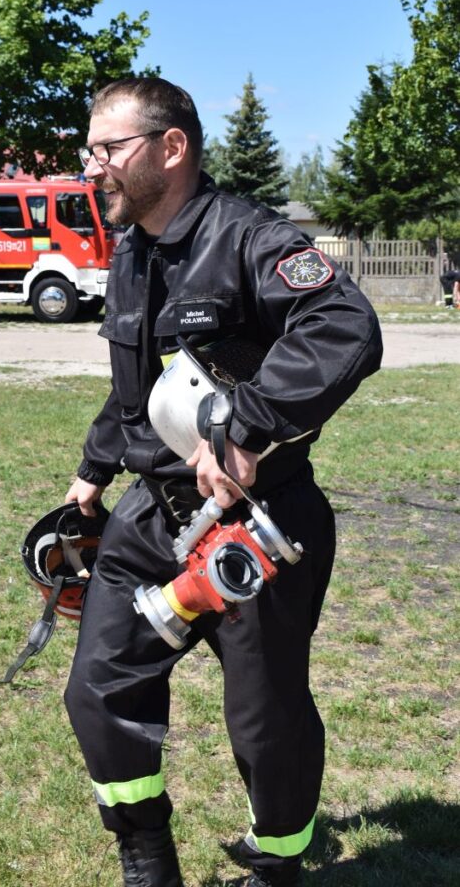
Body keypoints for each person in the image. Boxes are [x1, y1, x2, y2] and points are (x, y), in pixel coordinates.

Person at [63, 77, 383, 887]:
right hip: (151, 515)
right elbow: (134, 386)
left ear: (170, 149)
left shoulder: (250, 237)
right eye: (89, 148)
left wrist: (247, 427)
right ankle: (144, 854)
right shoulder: (133, 245)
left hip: (257, 520)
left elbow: (344, 326)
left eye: (108, 148)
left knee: (264, 719)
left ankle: (277, 864)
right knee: (98, 685)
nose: (93, 165)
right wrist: (92, 474)